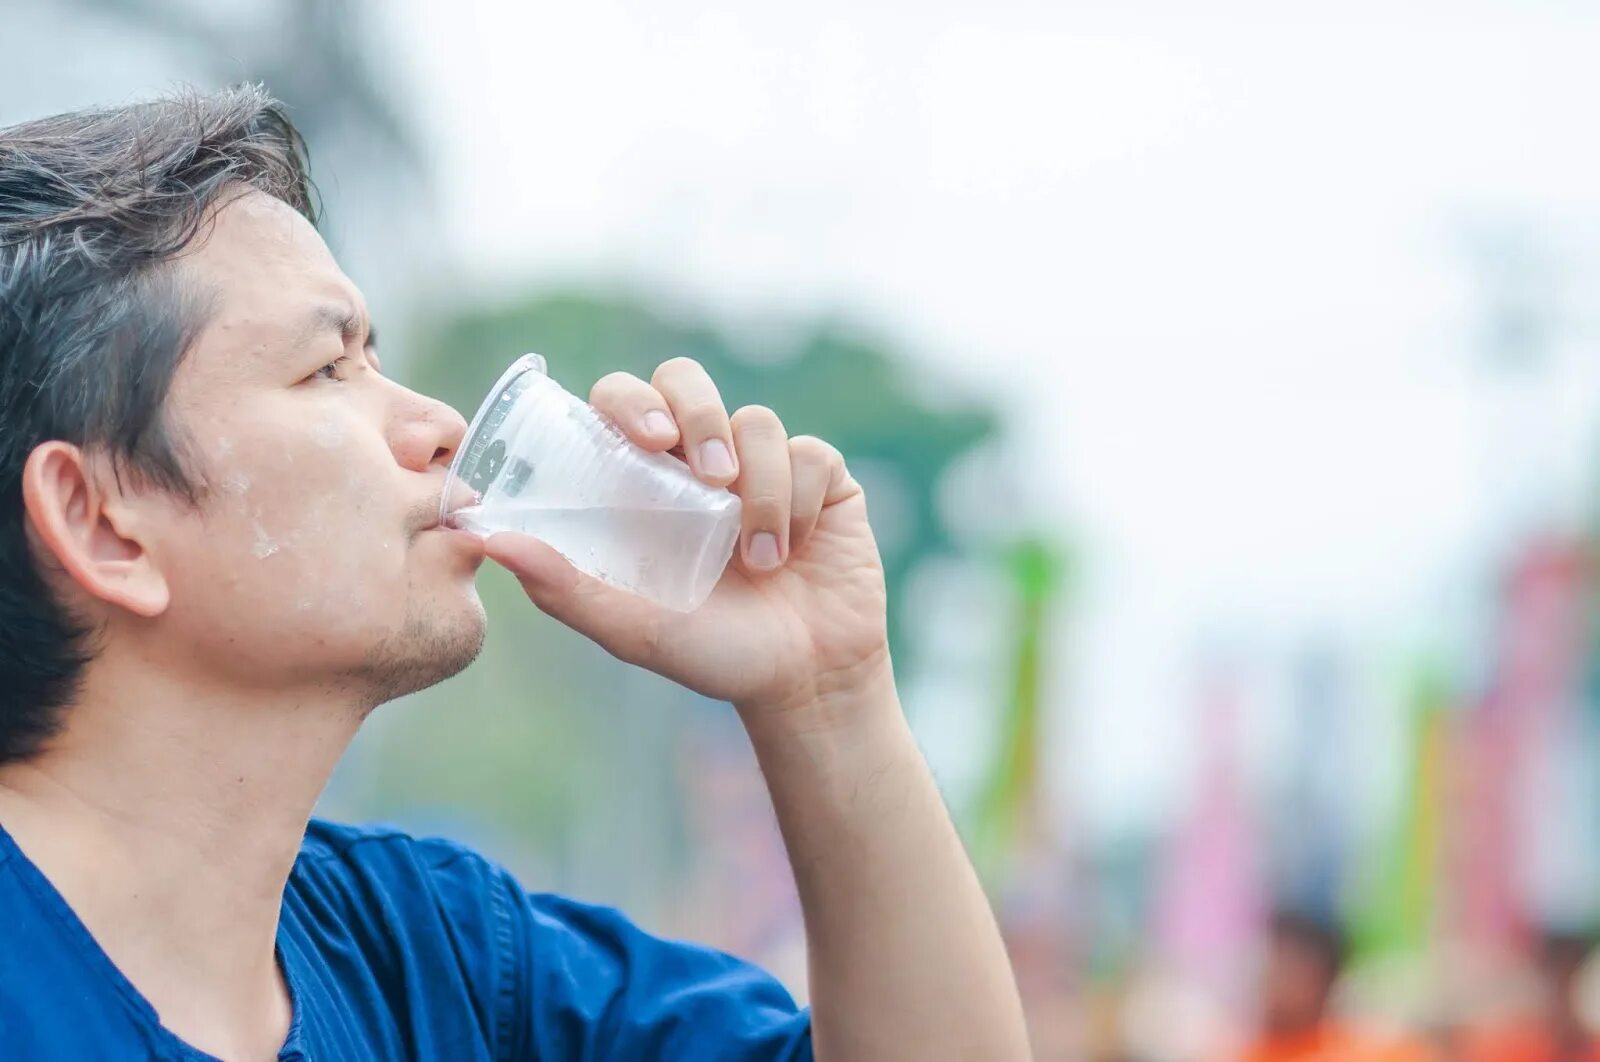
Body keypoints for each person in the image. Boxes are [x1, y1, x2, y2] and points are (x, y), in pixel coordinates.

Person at [0, 86, 1030, 1061]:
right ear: (101, 523)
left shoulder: (434, 957)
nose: (438, 425)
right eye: (327, 369)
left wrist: (824, 694)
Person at [1238, 912, 1430, 1062]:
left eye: (1286, 967)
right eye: (1272, 964)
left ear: (1323, 979)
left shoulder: (1375, 1052)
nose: (1272, 979)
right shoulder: (1242, 1053)